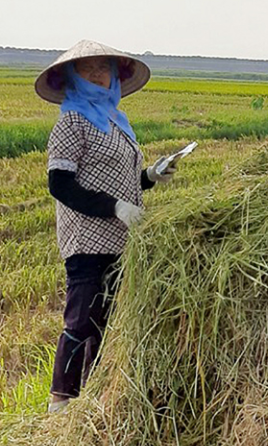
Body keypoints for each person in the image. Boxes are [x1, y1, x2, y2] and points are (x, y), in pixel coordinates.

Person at [36, 40, 179, 412]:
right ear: (72, 77)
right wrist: (115, 207)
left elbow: (122, 178)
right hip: (86, 240)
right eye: (89, 69)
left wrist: (150, 174)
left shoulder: (116, 120)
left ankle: (92, 395)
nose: (98, 75)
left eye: (104, 68)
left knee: (106, 323)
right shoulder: (71, 122)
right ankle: (61, 402)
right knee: (82, 320)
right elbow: (61, 184)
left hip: (120, 239)